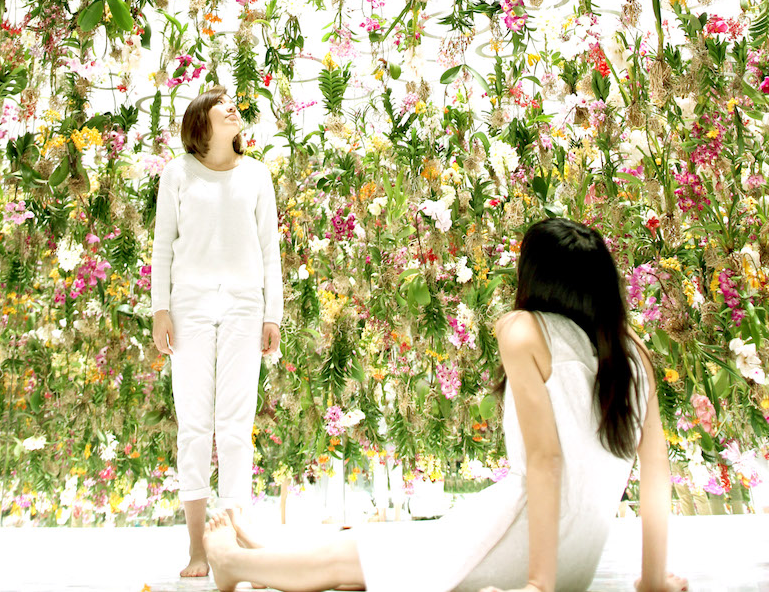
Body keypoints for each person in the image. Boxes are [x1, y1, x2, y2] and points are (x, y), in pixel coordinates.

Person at [202, 217, 689, 592]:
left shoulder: (522, 329)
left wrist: (539, 583)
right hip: (578, 561)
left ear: (536, 276)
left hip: (532, 544)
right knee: (373, 557)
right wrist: (652, 579)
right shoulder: (631, 353)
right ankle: (265, 548)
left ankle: (234, 563)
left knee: (352, 559)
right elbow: (656, 477)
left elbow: (546, 460)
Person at [151, 84, 284, 578]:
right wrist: (159, 309)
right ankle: (197, 549)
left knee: (234, 424)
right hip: (189, 307)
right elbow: (163, 245)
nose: (234, 109)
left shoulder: (257, 175)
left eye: (235, 104)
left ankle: (231, 541)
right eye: (222, 105)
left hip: (246, 307)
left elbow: (270, 250)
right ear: (200, 123)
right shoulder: (177, 173)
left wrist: (274, 315)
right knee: (194, 425)